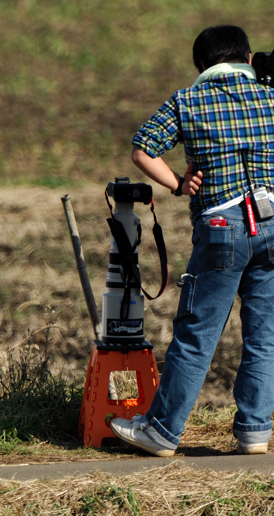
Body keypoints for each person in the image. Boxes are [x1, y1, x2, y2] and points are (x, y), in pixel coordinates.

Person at [112, 24, 274, 457]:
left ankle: (162, 431)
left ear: (202, 64)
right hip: (273, 223)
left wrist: (180, 186)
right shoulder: (270, 94)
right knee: (265, 335)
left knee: (196, 333)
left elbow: (143, 148)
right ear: (246, 56)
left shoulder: (188, 100)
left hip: (222, 227)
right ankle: (256, 431)